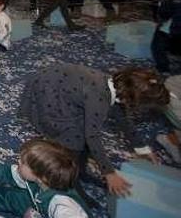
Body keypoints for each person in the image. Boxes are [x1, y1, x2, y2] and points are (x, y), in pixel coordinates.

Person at [18, 63, 169, 197]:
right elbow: (92, 136)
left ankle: (80, 172)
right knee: (73, 138)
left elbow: (123, 120)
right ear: (132, 99)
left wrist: (142, 148)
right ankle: (69, 181)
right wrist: (108, 172)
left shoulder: (114, 88)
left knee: (81, 133)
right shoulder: (99, 98)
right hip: (50, 93)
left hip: (59, 86)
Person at [0, 139, 88, 218]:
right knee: (11, 197)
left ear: (40, 175)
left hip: (44, 208)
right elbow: (6, 173)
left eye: (23, 162)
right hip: (37, 203)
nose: (18, 161)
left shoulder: (63, 205)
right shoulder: (36, 178)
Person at [152, 0, 181, 73]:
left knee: (158, 45)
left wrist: (174, 33)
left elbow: (169, 14)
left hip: (176, 30)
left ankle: (164, 69)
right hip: (173, 28)